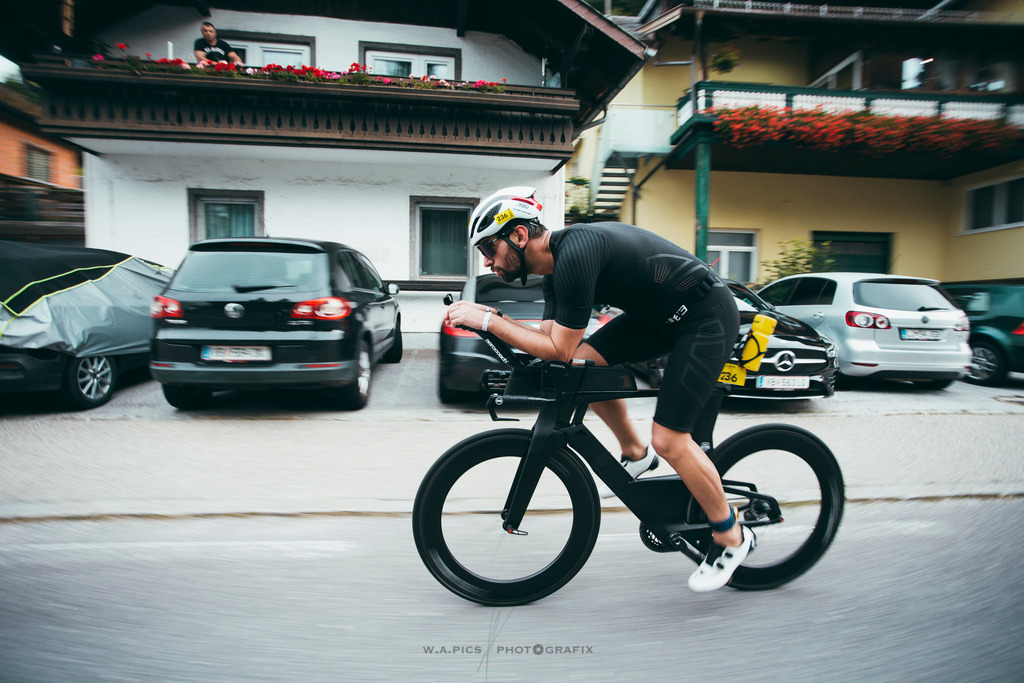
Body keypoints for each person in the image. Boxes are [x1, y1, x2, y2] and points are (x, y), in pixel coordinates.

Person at [445, 186, 752, 592]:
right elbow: (555, 339)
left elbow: (556, 347)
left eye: (489, 248)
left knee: (672, 440)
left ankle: (731, 536)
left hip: (704, 315)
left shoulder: (576, 251)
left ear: (519, 236)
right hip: (658, 318)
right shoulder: (554, 269)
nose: (486, 262)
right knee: (583, 366)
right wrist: (494, 316)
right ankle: (634, 454)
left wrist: (488, 322)